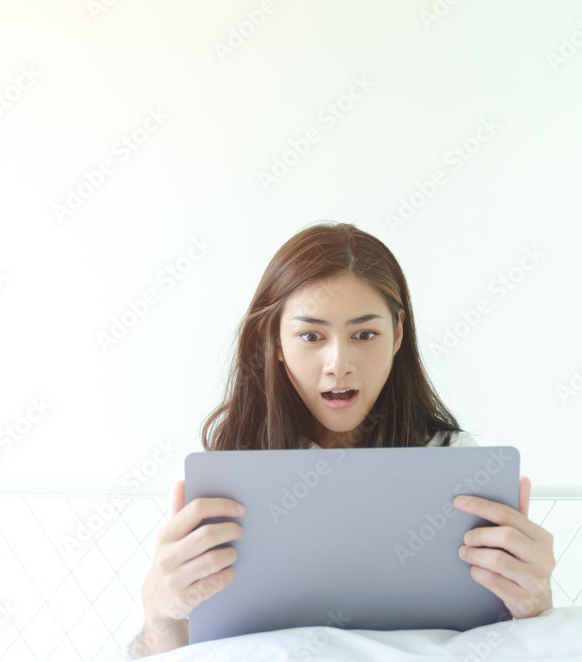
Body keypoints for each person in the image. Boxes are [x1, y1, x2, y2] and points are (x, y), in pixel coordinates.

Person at [123, 221, 555, 659]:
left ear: (398, 333)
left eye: (364, 335)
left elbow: (505, 642)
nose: (339, 363)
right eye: (311, 336)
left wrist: (535, 606)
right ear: (273, 339)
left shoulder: (453, 463)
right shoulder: (226, 480)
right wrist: (160, 615)